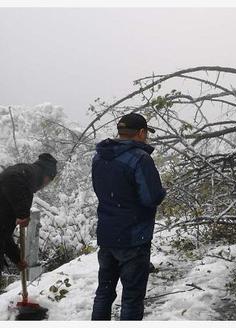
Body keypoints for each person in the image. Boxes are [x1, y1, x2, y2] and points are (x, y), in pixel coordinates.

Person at [91, 113, 166, 321]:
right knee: (132, 297)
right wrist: (161, 192)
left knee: (104, 292)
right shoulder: (140, 159)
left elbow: (101, 192)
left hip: (107, 235)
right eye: (146, 133)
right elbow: (150, 198)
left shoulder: (99, 157)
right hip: (133, 238)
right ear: (141, 133)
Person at [0, 154, 57, 276]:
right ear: (47, 176)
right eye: (48, 182)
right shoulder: (30, 174)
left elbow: (4, 232)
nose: (44, 186)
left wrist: (17, 258)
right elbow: (11, 178)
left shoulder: (27, 179)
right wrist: (23, 213)